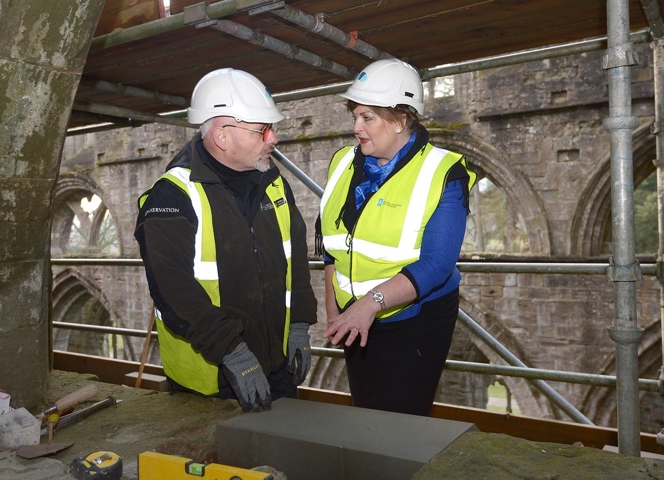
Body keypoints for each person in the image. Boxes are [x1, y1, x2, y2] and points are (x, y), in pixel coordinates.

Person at [135, 68, 317, 412]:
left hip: (277, 368)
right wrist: (232, 351)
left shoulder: (273, 183)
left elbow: (295, 260)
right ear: (222, 136)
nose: (273, 139)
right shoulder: (173, 196)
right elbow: (172, 288)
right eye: (263, 130)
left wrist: (301, 323)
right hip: (212, 381)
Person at [317, 59, 477, 416]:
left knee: (401, 418)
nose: (356, 127)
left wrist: (369, 304)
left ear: (401, 119)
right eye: (354, 116)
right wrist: (333, 309)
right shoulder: (342, 162)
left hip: (415, 319)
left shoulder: (444, 171)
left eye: (368, 118)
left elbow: (437, 263)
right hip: (354, 315)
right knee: (366, 409)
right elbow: (331, 245)